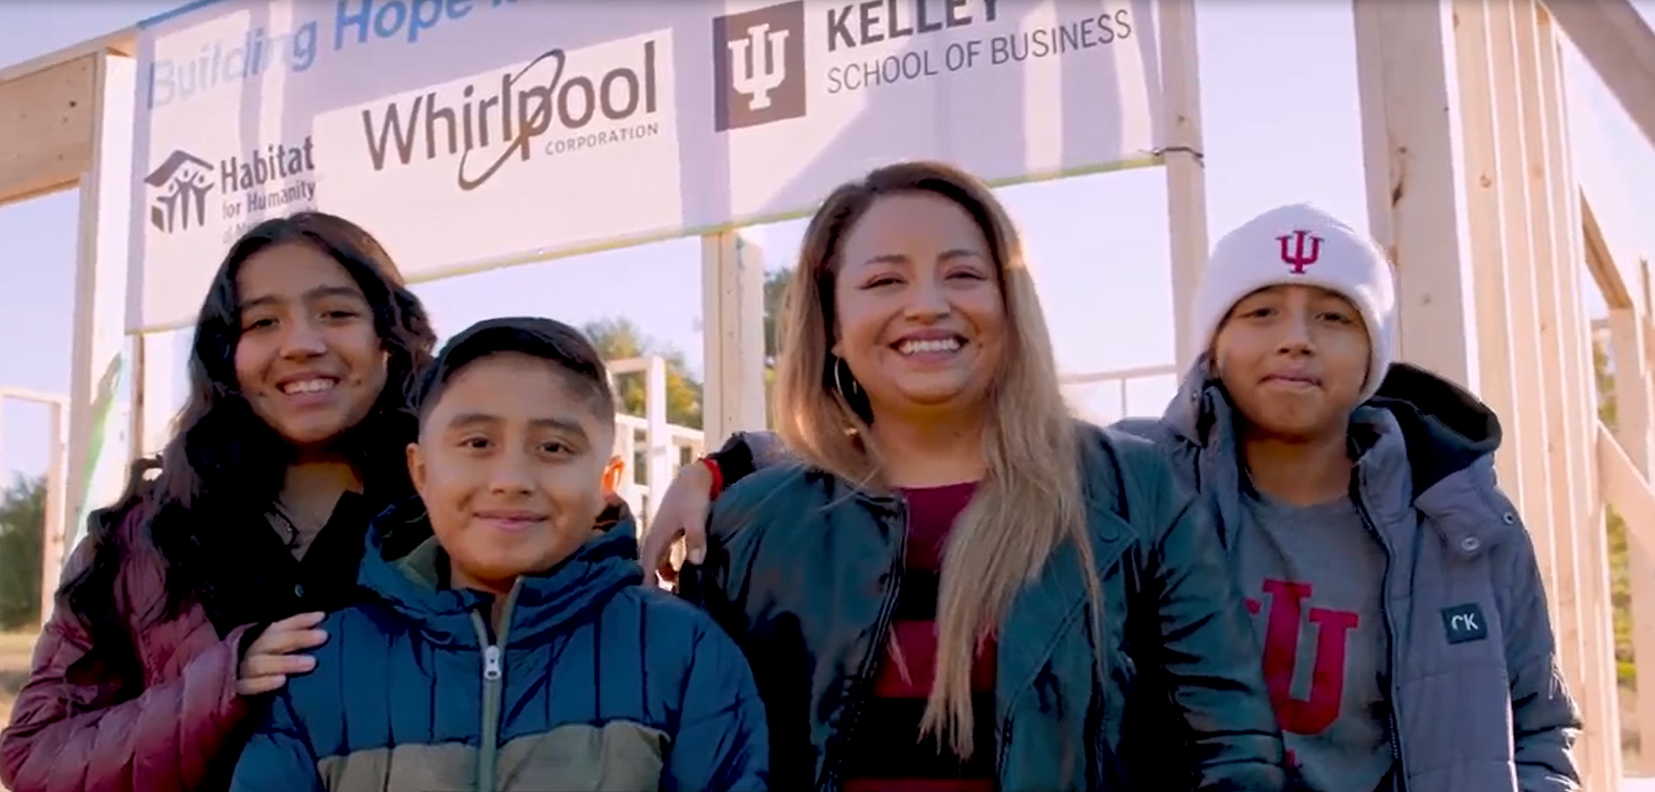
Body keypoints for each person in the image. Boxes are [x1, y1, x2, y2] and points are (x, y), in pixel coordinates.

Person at [675, 161, 1288, 791]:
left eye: (963, 274)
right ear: (832, 326)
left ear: (1008, 302)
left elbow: (1231, 746)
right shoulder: (748, 527)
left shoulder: (1135, 490)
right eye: (886, 279)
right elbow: (706, 764)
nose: (928, 306)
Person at [1111, 204, 1580, 792]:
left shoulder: (1463, 521)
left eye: (1333, 317)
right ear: (1215, 345)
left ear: (1372, 357)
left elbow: (1539, 728)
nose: (1296, 340)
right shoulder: (1126, 493)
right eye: (1261, 312)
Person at [227, 317, 771, 792]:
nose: (511, 480)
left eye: (553, 448)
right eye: (478, 443)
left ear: (608, 481)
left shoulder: (685, 653)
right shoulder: (325, 666)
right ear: (420, 471)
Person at [0, 211, 440, 792]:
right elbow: (36, 758)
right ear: (225, 352)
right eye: (263, 321)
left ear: (389, 336)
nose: (301, 344)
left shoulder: (456, 514)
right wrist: (221, 684)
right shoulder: (142, 538)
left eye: (337, 313)